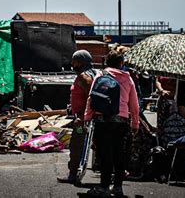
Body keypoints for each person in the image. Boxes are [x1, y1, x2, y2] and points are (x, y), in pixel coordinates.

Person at [84, 51, 139, 196]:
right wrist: (135, 123)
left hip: (102, 119)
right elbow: (134, 104)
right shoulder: (128, 79)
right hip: (121, 120)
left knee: (104, 153)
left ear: (107, 62)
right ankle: (118, 187)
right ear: (121, 63)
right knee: (119, 153)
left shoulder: (101, 75)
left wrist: (87, 117)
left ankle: (103, 187)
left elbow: (92, 98)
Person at [57, 50, 97, 184]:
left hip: (83, 119)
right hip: (90, 117)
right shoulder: (93, 73)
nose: (72, 63)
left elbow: (91, 97)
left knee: (76, 146)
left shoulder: (84, 77)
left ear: (80, 61)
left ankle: (72, 174)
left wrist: (81, 115)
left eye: (74, 61)